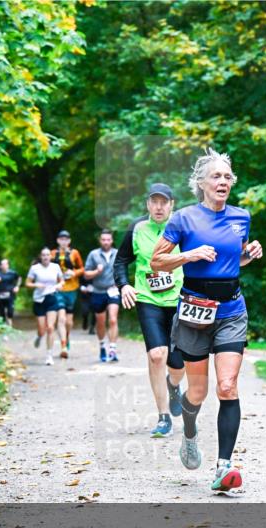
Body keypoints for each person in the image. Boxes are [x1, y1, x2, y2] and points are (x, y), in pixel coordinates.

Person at [150, 149, 263, 492]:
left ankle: (224, 466)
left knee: (227, 386)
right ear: (201, 183)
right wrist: (189, 255)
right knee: (197, 392)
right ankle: (189, 432)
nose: (223, 181)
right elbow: (157, 261)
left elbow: (235, 260)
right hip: (195, 311)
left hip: (231, 310)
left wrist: (249, 254)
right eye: (216, 176)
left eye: (228, 177)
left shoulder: (241, 217)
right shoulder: (184, 219)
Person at [114, 183, 186, 438]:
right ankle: (163, 417)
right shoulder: (137, 228)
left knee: (178, 363)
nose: (158, 207)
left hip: (178, 300)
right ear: (147, 204)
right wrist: (124, 285)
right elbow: (121, 260)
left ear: (171, 204)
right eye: (154, 202)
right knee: (157, 355)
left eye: (163, 202)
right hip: (148, 298)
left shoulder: (182, 227)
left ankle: (173, 384)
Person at [84, 229, 121, 363]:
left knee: (113, 319)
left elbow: (122, 270)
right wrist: (96, 271)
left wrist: (120, 283)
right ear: (100, 241)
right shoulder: (93, 254)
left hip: (113, 291)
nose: (106, 242)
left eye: (108, 239)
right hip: (98, 292)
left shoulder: (117, 253)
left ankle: (113, 349)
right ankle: (102, 346)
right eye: (103, 239)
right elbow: (86, 274)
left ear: (112, 241)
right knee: (100, 322)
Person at [26, 248, 67, 366]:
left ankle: (49, 355)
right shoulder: (35, 268)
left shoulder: (55, 267)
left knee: (50, 327)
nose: (45, 257)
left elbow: (62, 281)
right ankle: (39, 336)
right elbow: (27, 283)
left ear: (50, 256)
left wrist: (59, 285)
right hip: (39, 300)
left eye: (47, 255)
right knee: (42, 329)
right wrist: (36, 284)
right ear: (40, 256)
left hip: (51, 298)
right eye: (43, 255)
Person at [50, 230, 84, 358]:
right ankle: (63, 346)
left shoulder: (75, 253)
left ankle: (67, 337)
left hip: (72, 289)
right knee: (61, 319)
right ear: (58, 240)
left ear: (69, 241)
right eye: (61, 239)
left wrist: (74, 273)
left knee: (69, 322)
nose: (63, 242)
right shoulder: (53, 253)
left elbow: (82, 268)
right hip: (58, 289)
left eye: (66, 239)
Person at [0, 258, 20, 327]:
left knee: (10, 311)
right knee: (2, 313)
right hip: (0, 295)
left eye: (5, 264)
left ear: (8, 265)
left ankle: (10, 326)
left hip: (10, 294)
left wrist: (17, 286)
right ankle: (4, 327)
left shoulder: (12, 273)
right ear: (0, 266)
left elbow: (19, 278)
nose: (4, 265)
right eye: (2, 264)